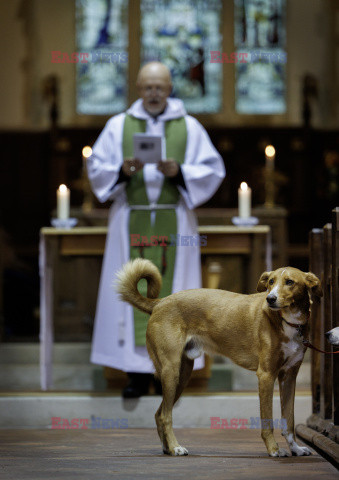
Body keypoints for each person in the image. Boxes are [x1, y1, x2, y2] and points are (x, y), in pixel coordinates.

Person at [87, 62, 225, 397]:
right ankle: (135, 374)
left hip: (173, 219)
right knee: (129, 291)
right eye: (147, 87)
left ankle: (166, 372)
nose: (153, 93)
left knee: (174, 297)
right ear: (138, 88)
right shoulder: (117, 124)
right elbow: (96, 167)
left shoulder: (189, 126)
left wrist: (179, 172)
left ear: (169, 88)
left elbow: (212, 168)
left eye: (159, 87)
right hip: (129, 219)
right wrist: (122, 171)